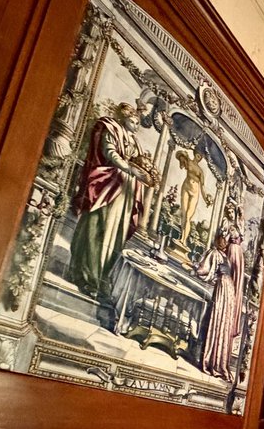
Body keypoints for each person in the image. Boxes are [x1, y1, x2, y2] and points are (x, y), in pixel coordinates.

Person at [65, 101, 158, 299]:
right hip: (109, 186)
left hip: (127, 193)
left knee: (116, 236)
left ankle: (101, 278)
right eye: (133, 120)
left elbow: (140, 164)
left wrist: (144, 174)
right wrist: (130, 169)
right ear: (124, 117)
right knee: (98, 229)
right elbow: (110, 153)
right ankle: (86, 276)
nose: (136, 124)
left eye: (137, 122)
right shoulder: (110, 128)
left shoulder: (136, 141)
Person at [194, 203, 245, 381]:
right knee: (222, 321)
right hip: (229, 288)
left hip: (225, 288)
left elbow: (202, 271)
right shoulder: (226, 256)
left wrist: (197, 269)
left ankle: (214, 360)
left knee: (220, 320)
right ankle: (219, 362)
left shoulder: (219, 254)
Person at [174, 148, 207, 247]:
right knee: (184, 215)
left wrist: (206, 199)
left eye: (201, 156)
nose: (199, 157)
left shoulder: (200, 171)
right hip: (186, 188)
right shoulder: (188, 162)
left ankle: (184, 240)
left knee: (188, 216)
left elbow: (202, 187)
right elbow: (180, 160)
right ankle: (181, 238)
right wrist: (182, 158)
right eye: (198, 155)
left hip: (195, 192)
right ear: (195, 154)